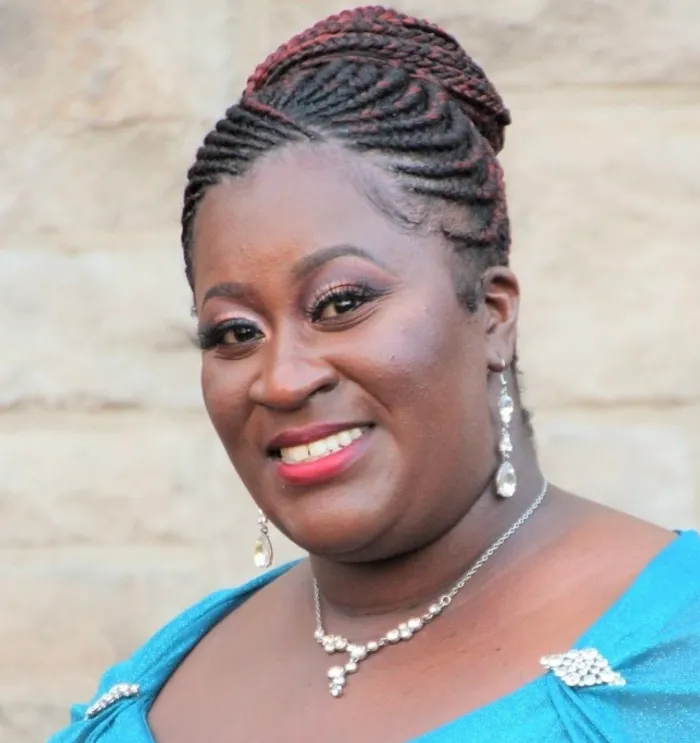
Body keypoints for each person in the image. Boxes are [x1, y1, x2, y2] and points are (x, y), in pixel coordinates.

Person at [48, 6, 700, 742]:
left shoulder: (681, 655)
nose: (282, 379)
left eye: (341, 303)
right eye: (235, 332)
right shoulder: (146, 692)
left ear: (491, 313)